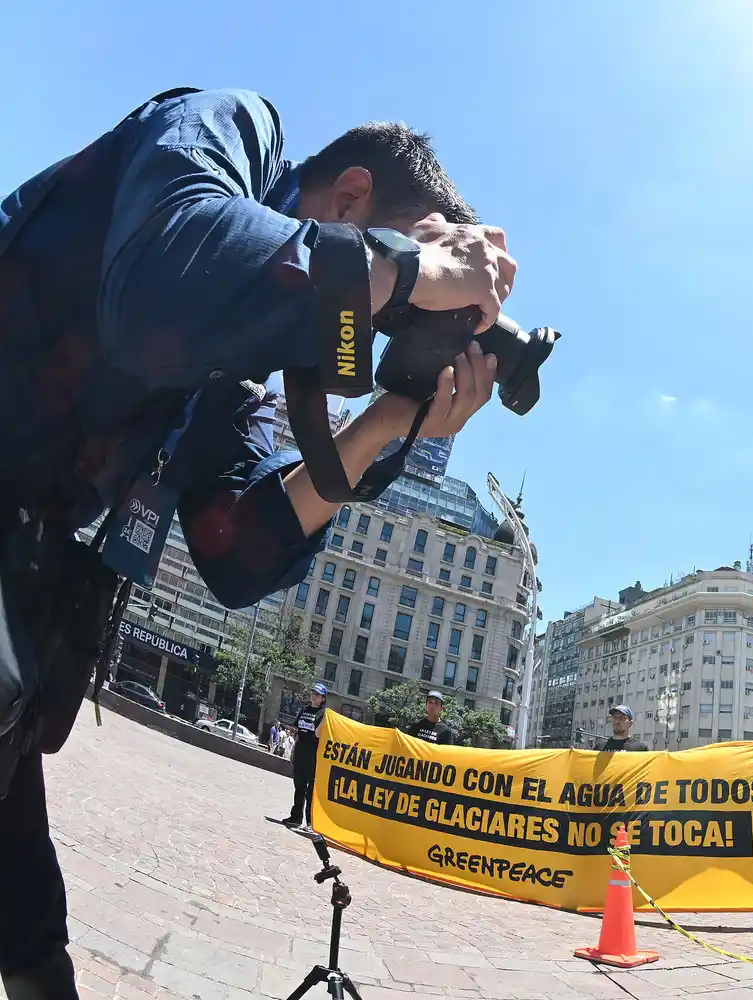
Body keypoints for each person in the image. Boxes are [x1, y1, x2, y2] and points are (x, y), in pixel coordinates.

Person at [0, 87, 514, 999]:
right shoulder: (227, 130)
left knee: (33, 934)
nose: (376, 317)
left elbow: (234, 548)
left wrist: (392, 422)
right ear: (349, 201)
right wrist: (413, 269)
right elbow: (166, 275)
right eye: (390, 294)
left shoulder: (231, 367)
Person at [284, 683, 329, 830]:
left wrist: (325, 719)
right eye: (313, 693)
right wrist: (293, 747)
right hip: (300, 753)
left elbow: (318, 733)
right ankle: (296, 817)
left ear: (323, 698)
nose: (313, 695)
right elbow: (296, 729)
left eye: (317, 694)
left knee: (311, 792)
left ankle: (311, 822)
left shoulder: (324, 714)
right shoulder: (304, 710)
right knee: (299, 787)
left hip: (314, 757)